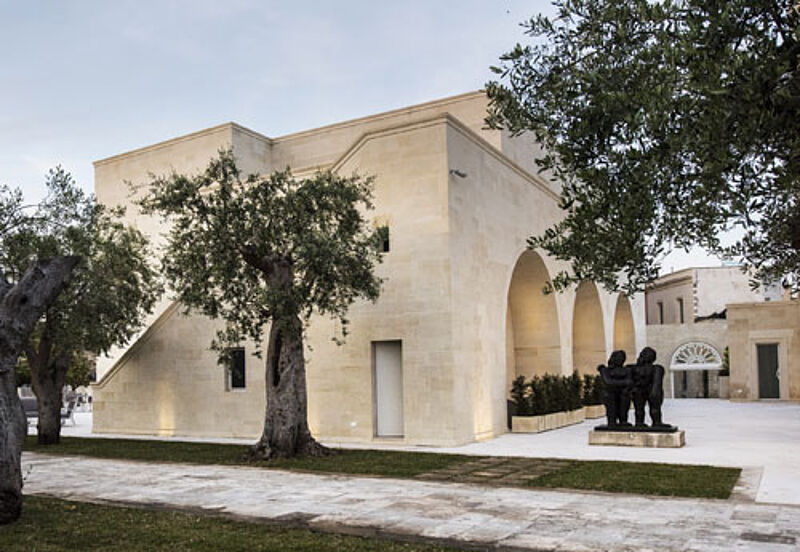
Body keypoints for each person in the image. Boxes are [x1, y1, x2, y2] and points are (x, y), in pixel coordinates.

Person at [597, 350, 632, 428]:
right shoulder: (605, 370)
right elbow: (608, 382)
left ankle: (623, 421)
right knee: (611, 404)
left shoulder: (627, 370)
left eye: (623, 358)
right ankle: (612, 421)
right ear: (614, 358)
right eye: (619, 357)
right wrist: (624, 382)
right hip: (610, 394)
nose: (621, 359)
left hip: (623, 393)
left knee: (624, 401)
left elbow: (630, 382)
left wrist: (619, 384)